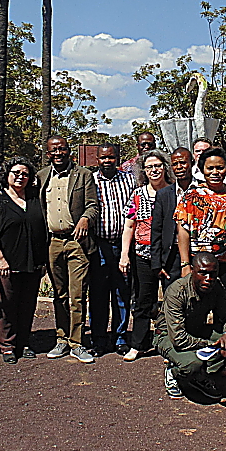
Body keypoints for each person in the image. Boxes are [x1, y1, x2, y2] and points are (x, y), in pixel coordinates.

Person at [36, 136, 99, 363]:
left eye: (61, 149)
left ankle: (77, 343)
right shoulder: (41, 176)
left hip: (76, 242)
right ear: (48, 153)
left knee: (77, 294)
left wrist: (85, 218)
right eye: (53, 150)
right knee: (59, 294)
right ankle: (61, 338)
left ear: (68, 150)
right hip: (52, 242)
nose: (58, 153)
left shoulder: (83, 175)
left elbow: (93, 205)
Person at [0, 157, 47, 364]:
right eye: (16, 173)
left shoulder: (35, 199)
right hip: (8, 264)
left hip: (33, 262)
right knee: (7, 305)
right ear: (7, 175)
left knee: (27, 305)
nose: (20, 177)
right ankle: (7, 345)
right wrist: (0, 259)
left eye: (25, 174)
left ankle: (24, 342)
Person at [154, 253, 226, 400]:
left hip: (196, 330)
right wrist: (212, 344)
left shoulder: (216, 286)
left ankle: (209, 371)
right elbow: (179, 339)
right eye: (203, 273)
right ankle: (175, 373)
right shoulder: (177, 291)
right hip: (168, 336)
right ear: (193, 271)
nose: (208, 278)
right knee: (192, 364)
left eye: (213, 274)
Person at [120, 150, 173, 361]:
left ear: (165, 167)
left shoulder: (174, 192)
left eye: (158, 165)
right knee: (143, 300)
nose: (154, 170)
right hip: (142, 255)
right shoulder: (138, 194)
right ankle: (138, 344)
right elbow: (129, 225)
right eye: (149, 167)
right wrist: (124, 254)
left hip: (169, 256)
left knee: (172, 300)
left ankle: (171, 344)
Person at [176, 147, 226, 310]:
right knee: (197, 308)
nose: (215, 172)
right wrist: (185, 264)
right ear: (202, 170)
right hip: (199, 262)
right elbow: (183, 230)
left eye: (220, 168)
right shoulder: (191, 196)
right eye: (210, 168)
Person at [89, 144, 137, 356]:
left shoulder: (129, 180)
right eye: (103, 158)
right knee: (98, 294)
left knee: (121, 292)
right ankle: (98, 339)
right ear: (97, 159)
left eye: (111, 157)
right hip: (99, 245)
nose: (107, 161)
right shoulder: (90, 181)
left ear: (117, 158)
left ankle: (120, 338)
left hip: (122, 245)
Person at [151, 147, 196, 289]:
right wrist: (157, 264)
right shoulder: (164, 195)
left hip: (197, 252)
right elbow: (156, 230)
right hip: (171, 256)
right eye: (175, 164)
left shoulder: (203, 190)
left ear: (192, 163)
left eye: (183, 163)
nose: (179, 167)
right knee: (173, 296)